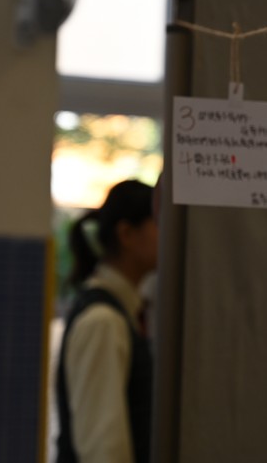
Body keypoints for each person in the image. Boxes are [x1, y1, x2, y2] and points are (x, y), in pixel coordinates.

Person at [56, 178, 160, 463]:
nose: (167, 235)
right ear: (126, 234)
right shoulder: (103, 321)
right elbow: (104, 450)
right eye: (157, 223)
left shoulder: (122, 311)